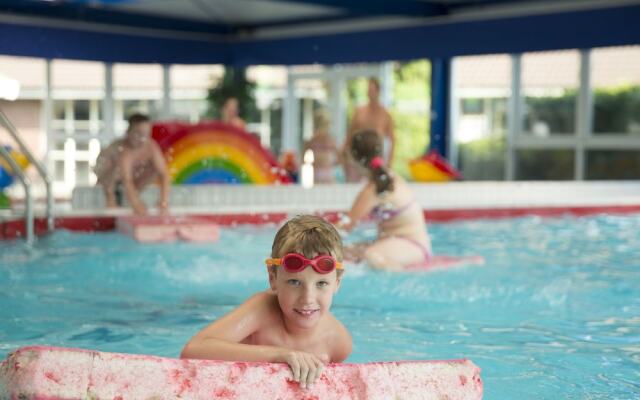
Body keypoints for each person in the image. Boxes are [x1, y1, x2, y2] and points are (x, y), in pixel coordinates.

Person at [181, 215, 352, 388]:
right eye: (294, 282)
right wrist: (279, 355)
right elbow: (193, 350)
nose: (307, 298)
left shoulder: (338, 342)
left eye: (321, 283)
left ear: (337, 283)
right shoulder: (262, 309)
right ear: (273, 278)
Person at [338, 129, 432, 270]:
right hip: (399, 243)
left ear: (353, 157)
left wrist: (311, 235)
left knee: (372, 256)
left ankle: (401, 275)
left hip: (413, 246)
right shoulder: (387, 177)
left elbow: (345, 227)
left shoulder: (373, 189)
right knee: (342, 253)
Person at [94, 113, 170, 216]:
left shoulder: (151, 147)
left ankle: (132, 195)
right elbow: (127, 179)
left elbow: (164, 174)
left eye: (146, 134)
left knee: (155, 169)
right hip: (105, 173)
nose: (142, 138)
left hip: (125, 178)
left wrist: (163, 201)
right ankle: (110, 196)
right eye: (138, 133)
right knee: (114, 168)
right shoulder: (124, 150)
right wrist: (136, 204)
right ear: (128, 132)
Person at [342, 78, 395, 183]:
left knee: (373, 185)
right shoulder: (359, 112)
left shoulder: (384, 114)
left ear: (378, 91)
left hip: (376, 158)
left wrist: (389, 162)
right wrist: (344, 154)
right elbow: (349, 135)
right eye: (368, 90)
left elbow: (393, 140)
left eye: (372, 90)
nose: (369, 93)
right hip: (357, 158)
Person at [303, 111, 339, 184]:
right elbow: (339, 158)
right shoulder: (329, 140)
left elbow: (338, 158)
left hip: (323, 173)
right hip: (324, 173)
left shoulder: (313, 141)